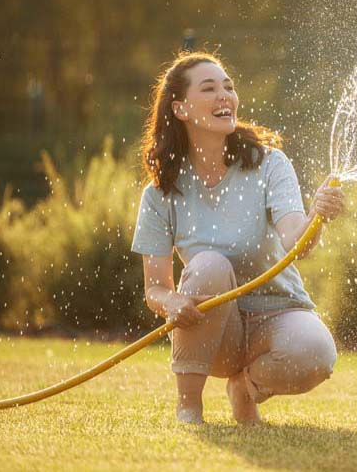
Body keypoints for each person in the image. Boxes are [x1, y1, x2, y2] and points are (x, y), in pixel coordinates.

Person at [132, 51, 344, 425]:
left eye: (228, 87)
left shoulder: (269, 163)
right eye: (210, 88)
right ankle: (189, 408)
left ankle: (245, 389)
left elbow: (297, 242)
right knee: (209, 265)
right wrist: (173, 303)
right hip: (215, 333)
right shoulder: (160, 194)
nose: (225, 96)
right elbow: (155, 290)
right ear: (180, 109)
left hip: (278, 311)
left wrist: (316, 217)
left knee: (317, 353)